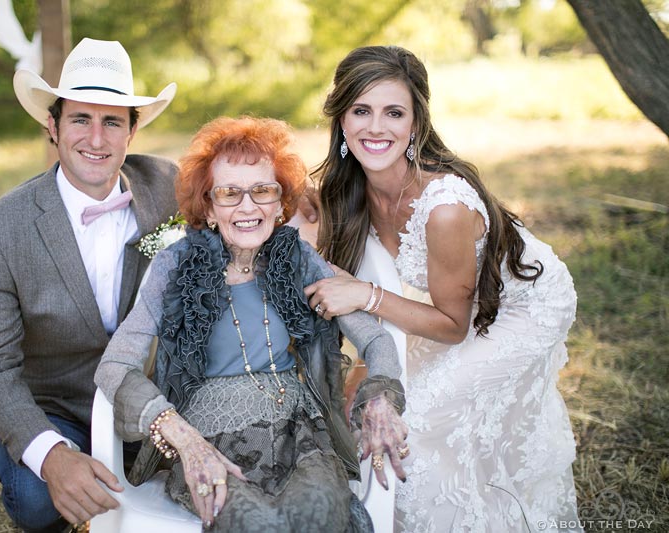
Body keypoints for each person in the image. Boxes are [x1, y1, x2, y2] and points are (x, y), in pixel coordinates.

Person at [304, 45, 581, 532]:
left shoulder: (445, 206)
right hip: (450, 305)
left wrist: (365, 295)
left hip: (522, 308)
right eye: (361, 111)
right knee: (368, 413)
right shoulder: (347, 190)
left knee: (420, 421)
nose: (376, 127)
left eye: (394, 112)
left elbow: (454, 327)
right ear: (341, 120)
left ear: (416, 124)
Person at [95, 116, 409, 532]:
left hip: (300, 438)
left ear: (281, 204)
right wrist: (185, 441)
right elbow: (114, 367)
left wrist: (381, 401)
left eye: (262, 190)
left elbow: (375, 340)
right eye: (229, 193)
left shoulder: (296, 259)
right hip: (209, 442)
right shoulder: (175, 267)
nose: (247, 207)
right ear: (208, 206)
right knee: (256, 525)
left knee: (319, 512)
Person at [0, 38, 179, 532]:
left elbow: (245, 198)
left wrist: (303, 206)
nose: (97, 139)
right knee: (36, 497)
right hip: (53, 408)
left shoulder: (169, 187)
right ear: (52, 126)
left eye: (113, 121)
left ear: (132, 131)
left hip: (145, 399)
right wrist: (53, 456)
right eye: (81, 118)